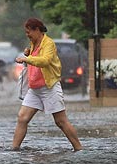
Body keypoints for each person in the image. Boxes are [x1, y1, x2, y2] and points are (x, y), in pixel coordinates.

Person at [12, 18, 82, 152]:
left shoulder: (48, 44)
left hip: (49, 87)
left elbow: (45, 61)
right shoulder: (33, 43)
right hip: (35, 89)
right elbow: (35, 59)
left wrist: (27, 58)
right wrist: (29, 54)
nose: (27, 35)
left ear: (37, 30)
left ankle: (79, 148)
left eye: (29, 32)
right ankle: (14, 149)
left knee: (60, 121)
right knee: (22, 118)